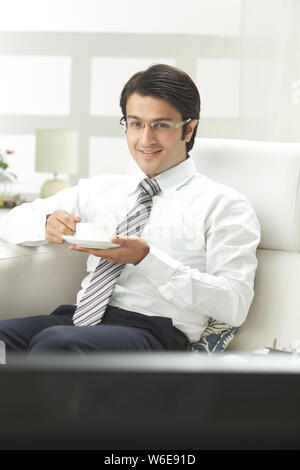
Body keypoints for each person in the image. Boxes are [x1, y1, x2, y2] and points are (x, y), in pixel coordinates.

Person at [0, 64, 260, 357]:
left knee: (56, 345)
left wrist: (147, 259)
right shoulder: (103, 189)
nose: (145, 139)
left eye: (161, 125)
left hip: (153, 333)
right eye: (136, 124)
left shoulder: (223, 205)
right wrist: (46, 223)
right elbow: (13, 221)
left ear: (189, 128)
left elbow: (235, 304)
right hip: (78, 320)